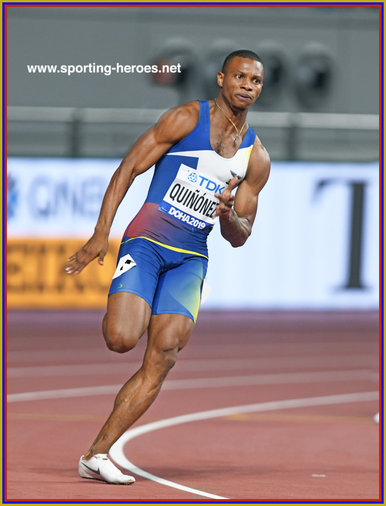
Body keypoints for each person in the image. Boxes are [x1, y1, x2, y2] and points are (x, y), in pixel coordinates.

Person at [65, 49, 270, 485]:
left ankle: (96, 454)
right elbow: (128, 168)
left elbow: (240, 235)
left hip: (191, 257)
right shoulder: (184, 119)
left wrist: (228, 216)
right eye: (240, 77)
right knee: (121, 338)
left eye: (255, 81)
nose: (247, 86)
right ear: (221, 79)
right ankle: (129, 304)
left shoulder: (256, 159)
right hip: (147, 243)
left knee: (164, 355)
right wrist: (102, 231)